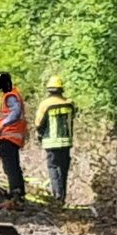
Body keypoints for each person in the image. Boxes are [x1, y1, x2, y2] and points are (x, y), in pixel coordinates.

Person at [35, 75, 76, 203]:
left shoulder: (45, 104)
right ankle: (63, 196)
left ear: (49, 90)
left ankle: (57, 194)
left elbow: (38, 123)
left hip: (51, 142)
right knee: (63, 168)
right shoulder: (69, 103)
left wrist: (40, 135)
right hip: (66, 142)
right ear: (61, 89)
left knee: (53, 167)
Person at [0, 72, 27, 210]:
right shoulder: (10, 95)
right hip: (10, 136)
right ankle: (17, 193)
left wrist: (2, 124)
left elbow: (16, 112)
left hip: (9, 136)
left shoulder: (11, 96)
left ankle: (16, 195)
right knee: (12, 166)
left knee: (11, 167)